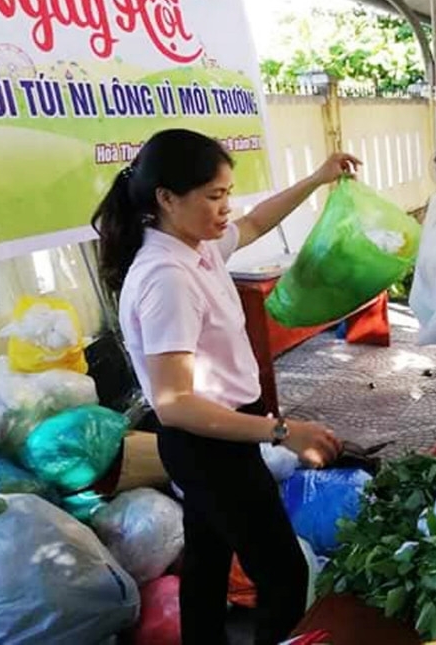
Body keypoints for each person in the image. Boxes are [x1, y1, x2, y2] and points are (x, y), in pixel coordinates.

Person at [92, 129, 356, 644]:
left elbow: (257, 221)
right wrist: (282, 431)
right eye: (214, 196)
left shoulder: (198, 245)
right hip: (206, 443)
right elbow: (174, 405)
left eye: (227, 193)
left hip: (216, 438)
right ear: (167, 199)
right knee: (283, 574)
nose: (226, 208)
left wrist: (318, 178)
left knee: (208, 561)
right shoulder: (167, 277)